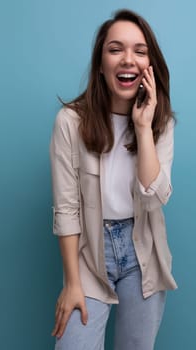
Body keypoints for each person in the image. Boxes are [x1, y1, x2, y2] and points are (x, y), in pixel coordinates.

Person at [50, 8, 177, 350]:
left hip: (143, 251)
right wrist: (72, 283)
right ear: (100, 63)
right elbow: (66, 209)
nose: (127, 59)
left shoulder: (162, 124)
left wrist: (142, 127)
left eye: (139, 51)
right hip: (89, 252)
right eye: (115, 49)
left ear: (150, 65)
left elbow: (154, 197)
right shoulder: (69, 123)